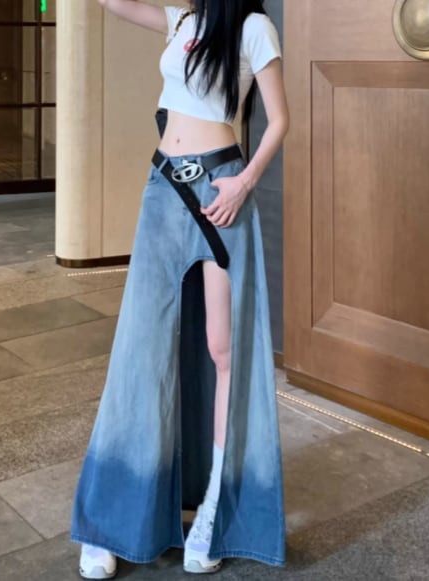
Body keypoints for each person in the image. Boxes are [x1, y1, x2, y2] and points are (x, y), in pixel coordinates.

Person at [71, 1, 290, 578]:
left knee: (223, 348)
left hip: (221, 188)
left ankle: (215, 511)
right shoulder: (180, 20)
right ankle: (113, 520)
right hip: (164, 186)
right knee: (141, 347)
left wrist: (244, 183)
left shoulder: (253, 28)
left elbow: (281, 120)